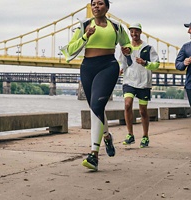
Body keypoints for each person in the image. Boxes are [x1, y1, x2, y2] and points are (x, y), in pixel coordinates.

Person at [61, 0, 132, 171]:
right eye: (93, 4)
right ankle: (107, 136)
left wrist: (127, 49)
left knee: (97, 105)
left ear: (107, 8)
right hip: (87, 67)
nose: (96, 7)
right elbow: (70, 50)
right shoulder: (84, 25)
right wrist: (86, 36)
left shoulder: (116, 26)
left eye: (100, 4)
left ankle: (94, 154)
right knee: (95, 108)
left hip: (108, 66)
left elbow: (126, 43)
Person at [119, 23, 160, 148]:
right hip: (129, 81)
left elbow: (156, 64)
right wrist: (120, 69)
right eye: (131, 32)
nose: (134, 34)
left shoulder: (148, 48)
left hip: (144, 83)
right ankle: (130, 134)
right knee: (127, 104)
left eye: (136, 31)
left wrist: (145, 62)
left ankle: (145, 136)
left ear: (140, 32)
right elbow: (123, 62)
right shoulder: (126, 48)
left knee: (143, 112)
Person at [175, 21, 191, 107]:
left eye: (190, 28)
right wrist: (184, 63)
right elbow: (177, 65)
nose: (188, 31)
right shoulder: (186, 47)